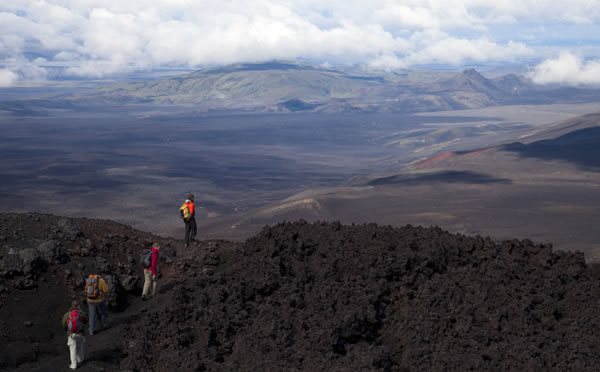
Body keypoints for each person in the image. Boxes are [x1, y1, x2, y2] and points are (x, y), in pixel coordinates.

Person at [61, 300, 87, 370]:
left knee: (73, 350)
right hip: (80, 333)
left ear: (72, 305)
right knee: (80, 347)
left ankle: (73, 365)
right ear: (78, 306)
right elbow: (86, 321)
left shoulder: (67, 314)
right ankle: (81, 360)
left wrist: (68, 330)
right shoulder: (81, 313)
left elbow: (63, 324)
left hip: (71, 334)